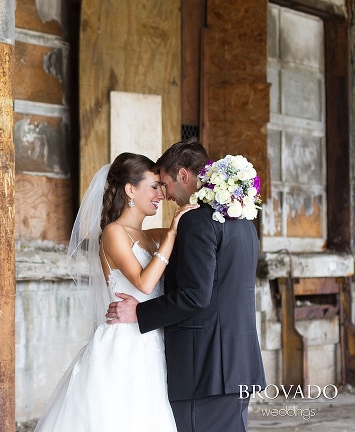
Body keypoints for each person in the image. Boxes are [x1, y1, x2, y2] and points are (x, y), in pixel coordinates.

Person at [107, 141, 266, 432]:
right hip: (239, 363)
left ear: (183, 175)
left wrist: (139, 313)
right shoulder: (243, 218)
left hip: (204, 369)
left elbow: (194, 296)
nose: (165, 195)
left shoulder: (196, 220)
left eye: (164, 184)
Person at [33, 152, 198, 431]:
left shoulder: (152, 236)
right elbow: (144, 283)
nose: (161, 194)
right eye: (154, 186)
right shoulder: (114, 233)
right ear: (131, 189)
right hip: (123, 347)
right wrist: (171, 235)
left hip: (154, 343)